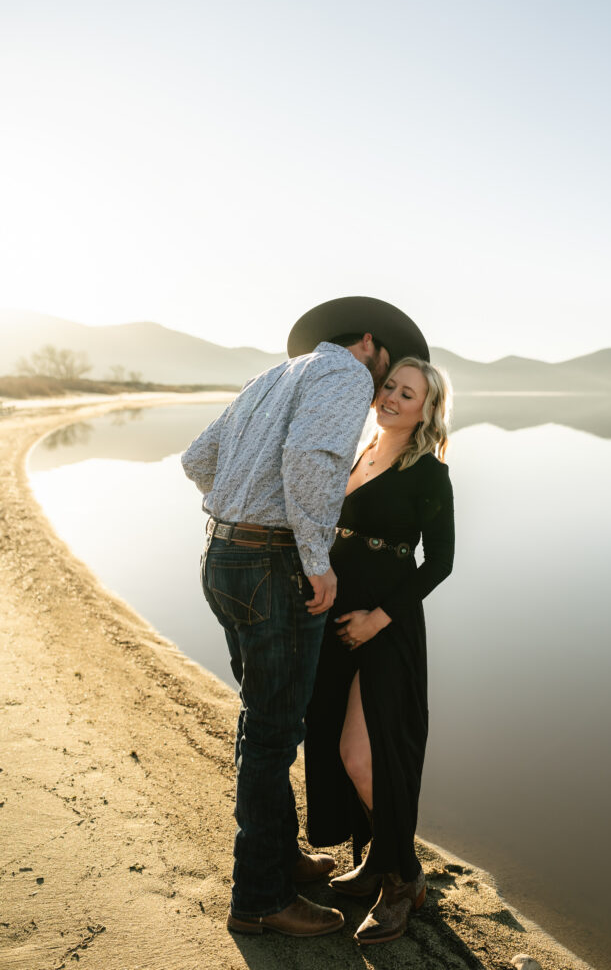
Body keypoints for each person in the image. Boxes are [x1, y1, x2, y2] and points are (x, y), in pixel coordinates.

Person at [180, 296, 429, 939]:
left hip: (223, 555)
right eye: (385, 373)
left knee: (260, 718)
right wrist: (316, 559)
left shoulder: (271, 376)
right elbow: (312, 459)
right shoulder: (346, 375)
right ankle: (260, 897)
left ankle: (278, 857)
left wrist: (237, 506)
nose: (381, 388)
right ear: (369, 344)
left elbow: (195, 460)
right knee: (271, 735)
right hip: (273, 564)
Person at [304, 355, 454, 945]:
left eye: (407, 393)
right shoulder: (359, 452)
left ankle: (403, 880)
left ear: (427, 410)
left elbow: (439, 562)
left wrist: (377, 619)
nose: (391, 397)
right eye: (389, 386)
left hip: (385, 626)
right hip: (334, 619)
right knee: (333, 744)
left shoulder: (429, 473)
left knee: (367, 755)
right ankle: (375, 856)